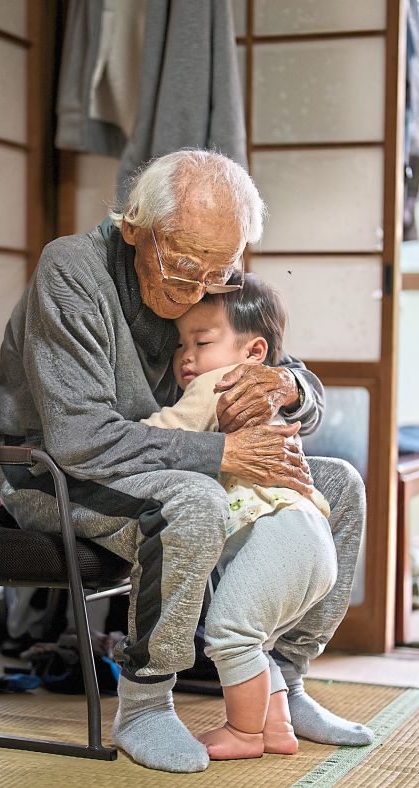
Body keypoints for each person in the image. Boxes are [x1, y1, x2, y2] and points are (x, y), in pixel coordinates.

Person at [0, 149, 370, 773]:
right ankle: (143, 705)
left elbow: (277, 360)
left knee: (338, 486)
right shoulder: (73, 271)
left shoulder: (211, 268)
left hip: (171, 458)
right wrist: (222, 452)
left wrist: (291, 389)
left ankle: (286, 680)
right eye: (186, 270)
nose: (201, 291)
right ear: (135, 227)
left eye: (219, 274)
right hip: (53, 473)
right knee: (195, 501)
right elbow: (80, 439)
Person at [139, 276, 337, 759]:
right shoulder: (255, 386)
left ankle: (244, 734)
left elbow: (166, 432)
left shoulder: (219, 383)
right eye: (181, 343)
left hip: (275, 532)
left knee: (229, 633)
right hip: (307, 537)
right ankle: (276, 728)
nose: (187, 356)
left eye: (201, 342)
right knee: (255, 641)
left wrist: (120, 433)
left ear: (254, 352)